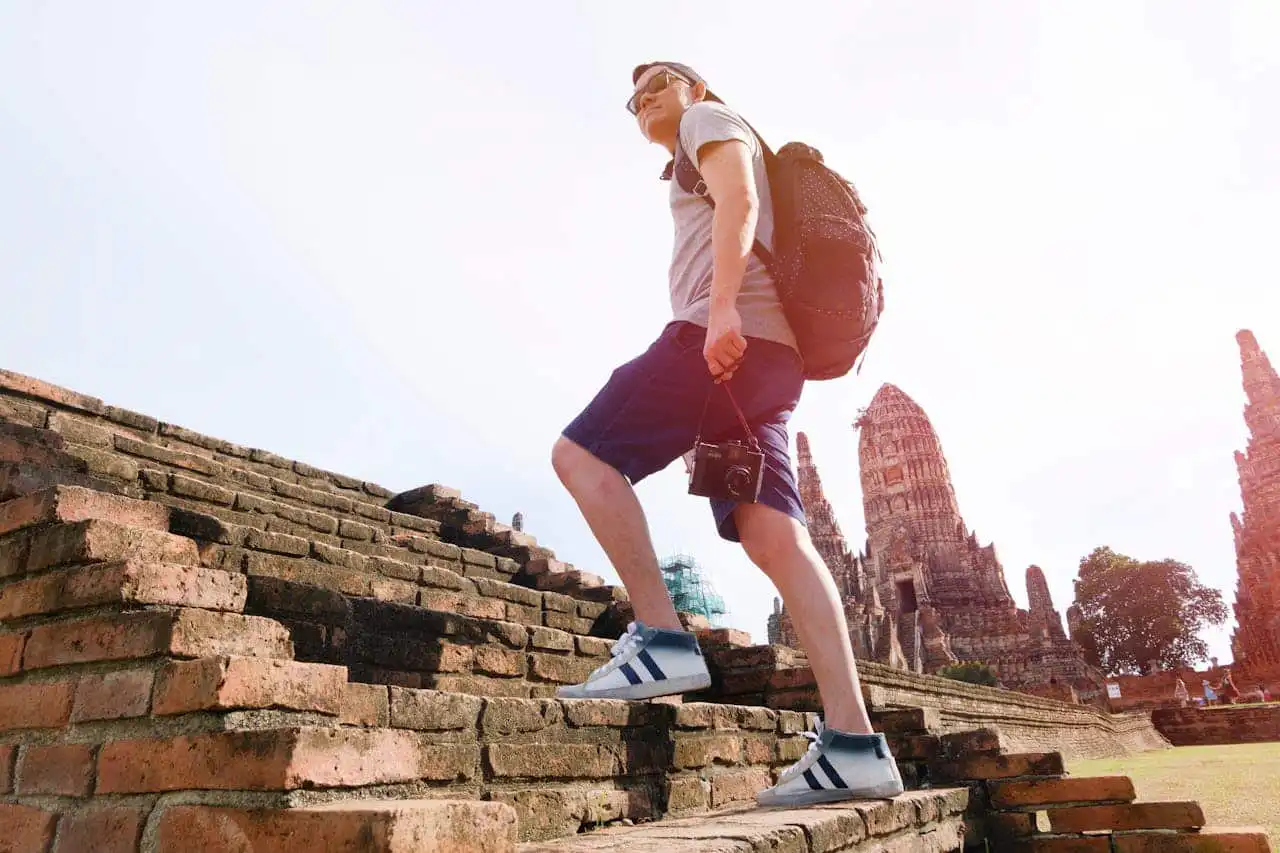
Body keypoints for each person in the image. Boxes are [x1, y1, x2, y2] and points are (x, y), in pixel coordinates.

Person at [550, 61, 903, 807]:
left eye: (660, 83)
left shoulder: (708, 122)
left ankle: (661, 640)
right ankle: (854, 743)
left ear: (697, 89)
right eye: (633, 96)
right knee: (778, 539)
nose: (644, 99)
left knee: (581, 454)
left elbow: (739, 198)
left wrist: (718, 313)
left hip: (720, 343)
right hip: (770, 362)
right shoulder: (692, 141)